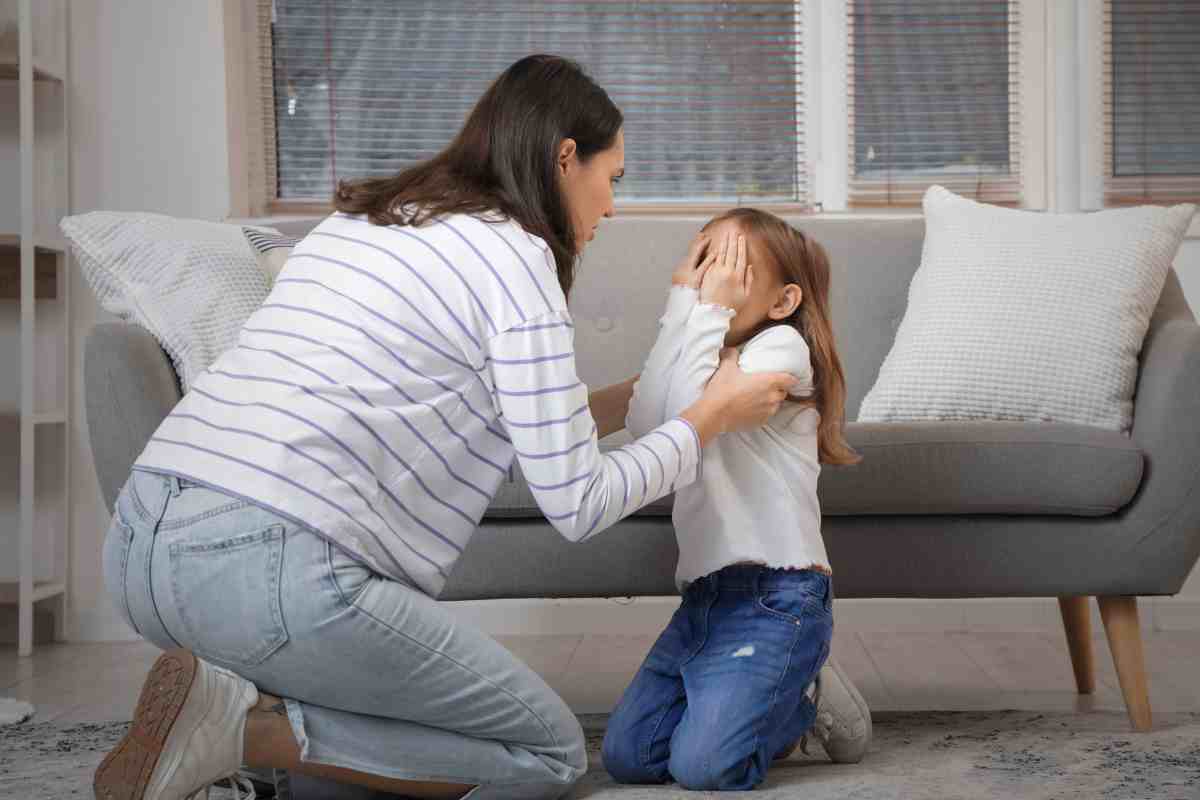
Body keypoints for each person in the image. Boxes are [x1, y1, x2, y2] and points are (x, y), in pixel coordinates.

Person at [93, 55, 800, 800]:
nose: (612, 207)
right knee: (546, 751)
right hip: (270, 569)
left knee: (375, 769)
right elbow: (577, 501)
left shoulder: (364, 219)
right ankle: (249, 735)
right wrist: (709, 416)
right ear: (566, 159)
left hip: (142, 547)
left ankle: (246, 753)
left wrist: (643, 399)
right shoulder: (518, 257)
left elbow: (532, 434)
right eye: (612, 178)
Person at [602, 209, 872, 791]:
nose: (713, 282)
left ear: (783, 300)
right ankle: (767, 686)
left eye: (733, 271)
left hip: (781, 592)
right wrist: (684, 304)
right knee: (630, 756)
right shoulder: (702, 338)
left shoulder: (783, 348)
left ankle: (801, 696)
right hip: (705, 596)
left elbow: (686, 411)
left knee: (707, 768)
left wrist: (703, 316)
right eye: (704, 264)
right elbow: (655, 425)